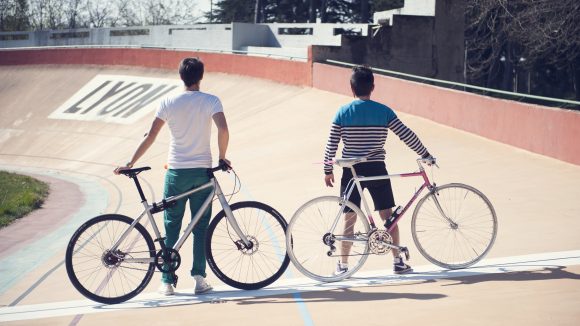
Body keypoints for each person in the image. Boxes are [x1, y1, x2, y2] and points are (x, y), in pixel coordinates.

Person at [114, 57, 230, 295]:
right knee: (200, 227)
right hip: (202, 172)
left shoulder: (168, 101)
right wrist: (222, 156)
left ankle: (166, 281)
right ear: (201, 76)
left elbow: (151, 134)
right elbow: (223, 129)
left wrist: (130, 162)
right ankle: (199, 279)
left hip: (176, 173)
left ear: (180, 77)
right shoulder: (211, 101)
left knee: (172, 225)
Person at [323, 65, 435, 275]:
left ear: (351, 88)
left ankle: (343, 265)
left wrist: (327, 169)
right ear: (372, 87)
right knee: (388, 216)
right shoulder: (383, 111)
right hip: (376, 168)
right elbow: (406, 134)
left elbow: (331, 143)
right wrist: (425, 153)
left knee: (349, 217)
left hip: (351, 171)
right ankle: (398, 262)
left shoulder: (342, 112)